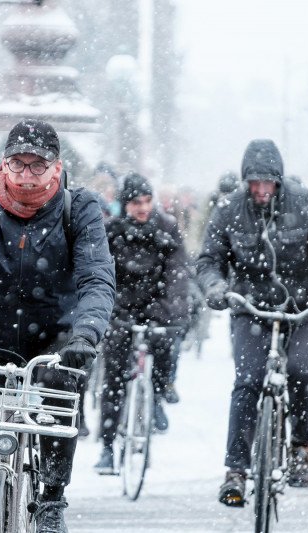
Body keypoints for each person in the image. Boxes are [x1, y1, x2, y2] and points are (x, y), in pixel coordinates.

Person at [0, 119, 115, 533]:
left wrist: (85, 333)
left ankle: (50, 498)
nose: (26, 175)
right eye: (17, 164)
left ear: (56, 167)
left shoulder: (78, 206)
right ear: (3, 163)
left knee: (58, 399)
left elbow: (97, 277)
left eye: (37, 165)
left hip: (57, 340)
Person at [196, 139, 308, 506]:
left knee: (301, 370)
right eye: (255, 183)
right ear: (245, 182)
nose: (262, 190)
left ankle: (302, 447)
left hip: (304, 309)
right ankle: (235, 470)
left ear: (279, 182)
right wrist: (216, 287)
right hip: (252, 309)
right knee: (248, 381)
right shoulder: (229, 209)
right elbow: (208, 260)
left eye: (268, 182)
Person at [93, 172, 190, 474]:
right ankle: (108, 446)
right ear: (126, 204)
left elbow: (176, 275)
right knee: (114, 378)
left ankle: (158, 395)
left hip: (155, 305)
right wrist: (110, 311)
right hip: (120, 307)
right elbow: (102, 273)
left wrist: (164, 312)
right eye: (137, 203)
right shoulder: (111, 232)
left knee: (164, 348)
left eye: (148, 201)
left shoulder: (167, 228)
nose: (143, 208)